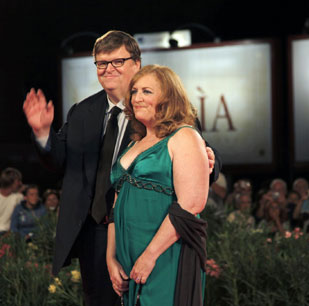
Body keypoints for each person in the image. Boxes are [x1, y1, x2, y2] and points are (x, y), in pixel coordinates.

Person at [23, 30, 221, 305]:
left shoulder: (161, 109)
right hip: (96, 236)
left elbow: (197, 153)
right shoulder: (81, 112)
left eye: (117, 61)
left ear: (137, 64)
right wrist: (43, 133)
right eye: (101, 63)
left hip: (154, 232)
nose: (108, 69)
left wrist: (208, 159)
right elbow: (58, 161)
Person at [107, 65, 209, 305]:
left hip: (165, 255)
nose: (137, 98)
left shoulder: (184, 136)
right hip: (128, 259)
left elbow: (191, 203)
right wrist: (110, 258)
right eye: (134, 91)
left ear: (168, 97)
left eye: (147, 91)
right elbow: (115, 205)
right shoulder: (135, 143)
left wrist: (149, 257)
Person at [0, 167, 24, 236]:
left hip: (9, 234)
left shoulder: (19, 197)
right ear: (11, 182)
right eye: (18, 181)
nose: (20, 183)